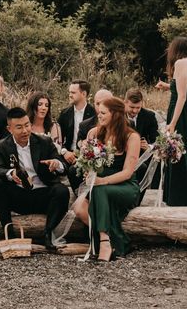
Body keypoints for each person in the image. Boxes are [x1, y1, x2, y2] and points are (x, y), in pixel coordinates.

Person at [71, 96, 141, 261]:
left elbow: (128, 172)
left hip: (125, 186)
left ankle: (104, 241)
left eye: (103, 113)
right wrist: (89, 172)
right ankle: (117, 239)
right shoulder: (94, 133)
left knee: (99, 189)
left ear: (115, 115)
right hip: (99, 186)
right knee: (80, 208)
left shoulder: (132, 137)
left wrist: (103, 181)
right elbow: (87, 162)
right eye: (98, 113)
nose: (99, 116)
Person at [0, 107, 70, 250]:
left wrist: (56, 164)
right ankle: (9, 232)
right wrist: (10, 173)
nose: (25, 131)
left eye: (27, 125)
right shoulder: (2, 145)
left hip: (42, 195)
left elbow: (63, 165)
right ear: (9, 129)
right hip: (18, 196)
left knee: (62, 191)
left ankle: (47, 233)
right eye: (19, 127)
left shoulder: (44, 142)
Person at [156, 36, 187, 206]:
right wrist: (168, 86)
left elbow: (182, 96)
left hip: (183, 118)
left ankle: (181, 203)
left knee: (180, 161)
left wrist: (172, 123)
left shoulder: (181, 63)